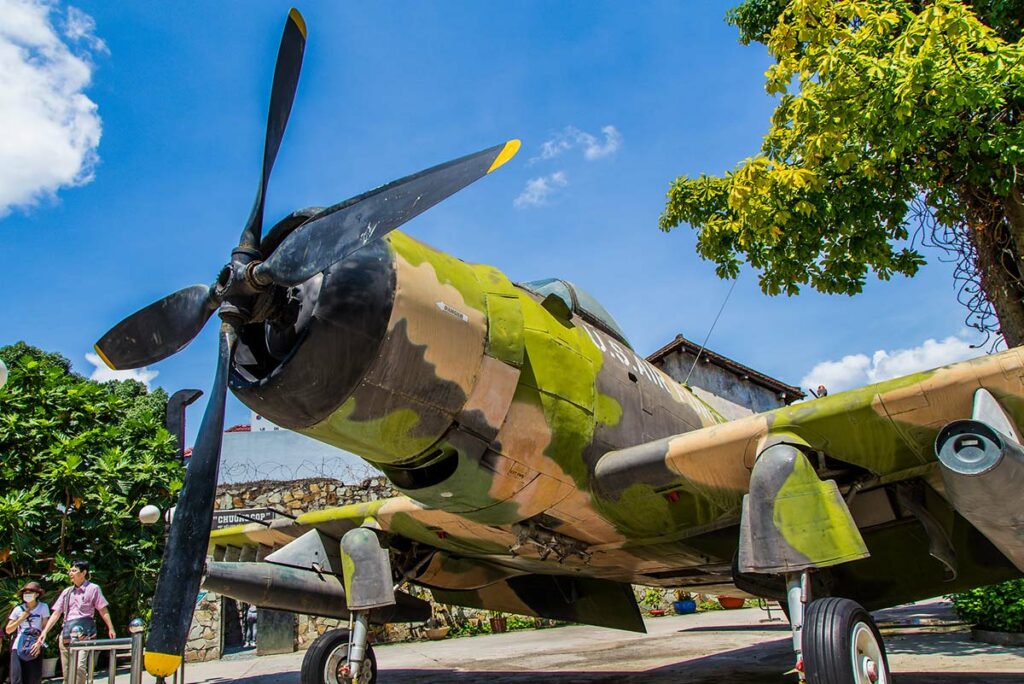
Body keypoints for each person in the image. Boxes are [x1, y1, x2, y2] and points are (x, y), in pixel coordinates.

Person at [35, 561, 115, 684]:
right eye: (70, 571)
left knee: (79, 667)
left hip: (84, 632)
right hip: (67, 632)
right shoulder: (67, 592)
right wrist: (45, 631)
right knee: (67, 671)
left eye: (74, 571)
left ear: (84, 573)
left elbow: (102, 609)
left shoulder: (93, 589)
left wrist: (110, 627)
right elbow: (57, 613)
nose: (70, 573)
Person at [6, 581, 50, 684]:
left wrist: (39, 644)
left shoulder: (43, 607)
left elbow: (45, 628)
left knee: (33, 679)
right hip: (18, 646)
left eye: (30, 592)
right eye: (25, 593)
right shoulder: (18, 609)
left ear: (37, 594)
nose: (27, 595)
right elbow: (8, 630)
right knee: (16, 679)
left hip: (35, 645)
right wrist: (21, 618)